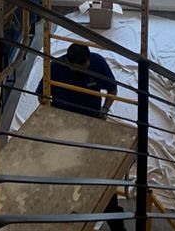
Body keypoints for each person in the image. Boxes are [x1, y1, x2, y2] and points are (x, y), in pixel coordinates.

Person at [37, 42, 127, 231]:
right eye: (81, 69)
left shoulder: (97, 62)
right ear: (70, 64)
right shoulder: (56, 67)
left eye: (87, 66)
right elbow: (42, 95)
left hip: (91, 126)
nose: (86, 70)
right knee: (63, 175)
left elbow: (112, 89)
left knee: (103, 180)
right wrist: (50, 116)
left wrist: (105, 110)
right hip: (65, 129)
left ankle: (118, 227)